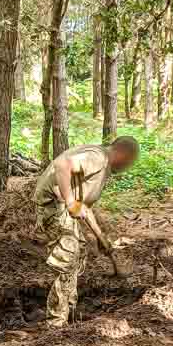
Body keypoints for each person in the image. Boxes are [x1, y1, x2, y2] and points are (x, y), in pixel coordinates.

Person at [31, 136, 139, 327]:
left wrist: (100, 237)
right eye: (130, 161)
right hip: (53, 206)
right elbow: (62, 164)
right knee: (69, 257)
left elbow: (84, 207)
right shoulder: (97, 158)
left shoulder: (103, 167)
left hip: (62, 207)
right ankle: (56, 322)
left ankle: (69, 310)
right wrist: (71, 201)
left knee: (80, 252)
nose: (128, 166)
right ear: (123, 154)